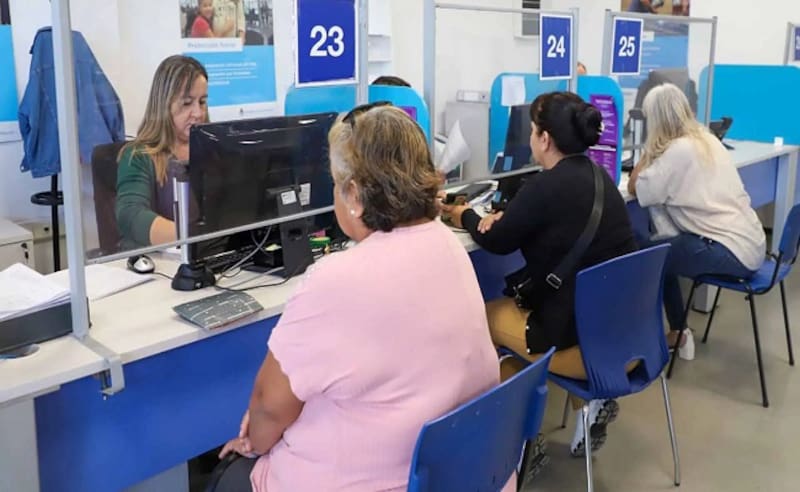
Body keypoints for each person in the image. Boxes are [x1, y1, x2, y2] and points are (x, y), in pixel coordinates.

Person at [213, 104, 509, 492]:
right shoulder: (448, 245)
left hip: (386, 479)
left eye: (336, 183)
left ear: (353, 194)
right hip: (465, 473)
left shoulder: (336, 280)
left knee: (228, 477)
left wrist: (255, 445)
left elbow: (269, 406)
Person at [441, 92, 638, 458]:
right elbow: (551, 225)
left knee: (480, 319)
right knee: (523, 339)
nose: (531, 138)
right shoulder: (599, 178)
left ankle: (514, 449)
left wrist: (462, 214)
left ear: (544, 139)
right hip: (626, 336)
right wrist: (513, 217)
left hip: (583, 344)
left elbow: (496, 240)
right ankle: (577, 410)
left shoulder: (547, 186)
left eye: (533, 131)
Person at [627, 83, 766, 360]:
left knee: (649, 256)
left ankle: (668, 335)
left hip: (729, 251)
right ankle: (678, 332)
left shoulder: (677, 152)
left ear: (656, 120)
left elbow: (635, 188)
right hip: (752, 245)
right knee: (662, 250)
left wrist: (648, 148)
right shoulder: (706, 138)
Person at [115, 55, 208, 250]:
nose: (198, 113)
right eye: (186, 103)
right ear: (164, 105)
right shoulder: (138, 156)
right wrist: (195, 237)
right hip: (160, 266)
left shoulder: (214, 149)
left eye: (202, 102)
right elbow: (131, 214)